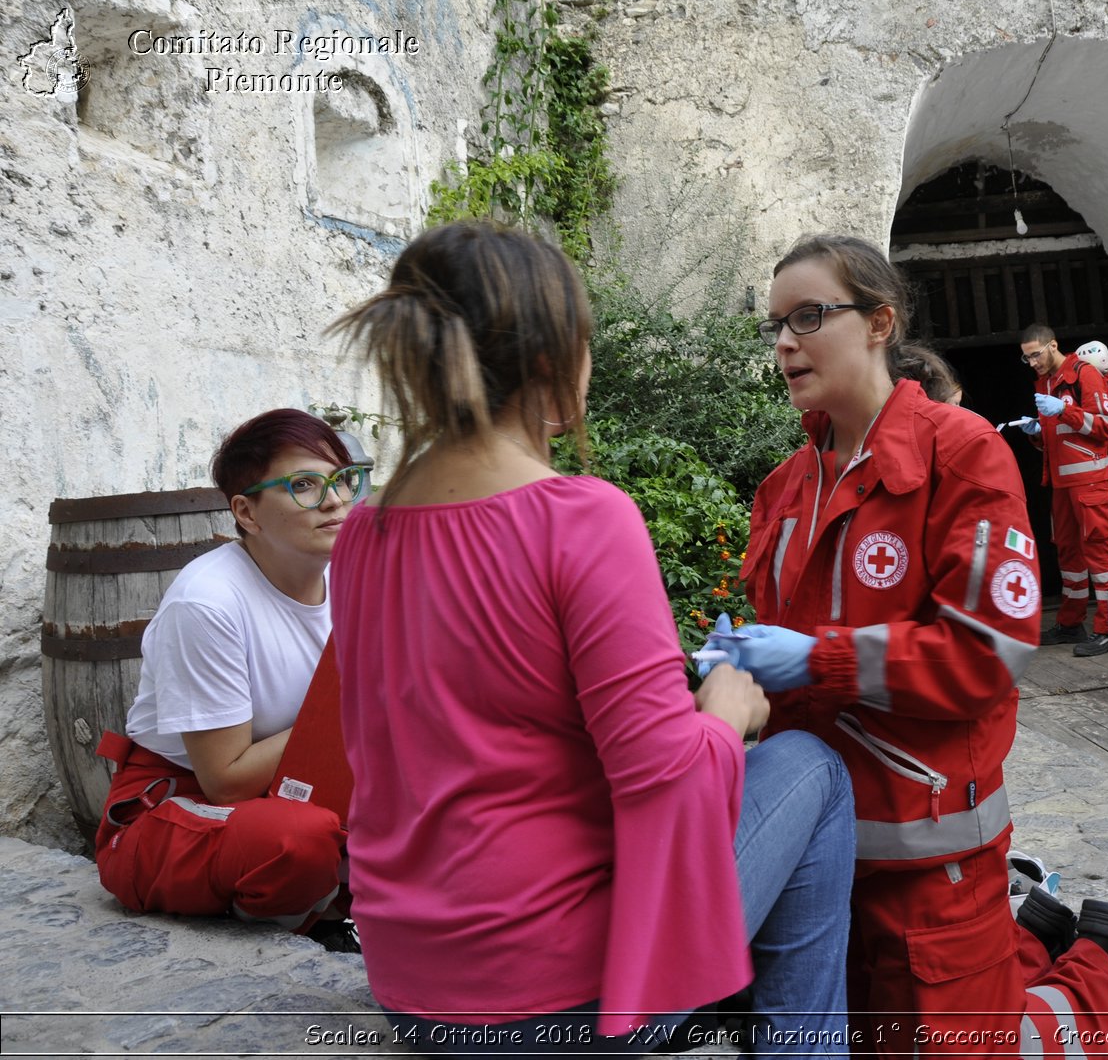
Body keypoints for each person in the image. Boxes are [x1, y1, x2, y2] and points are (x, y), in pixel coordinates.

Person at [325, 220, 856, 1057]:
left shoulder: (362, 532)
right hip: (558, 996)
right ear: (550, 359)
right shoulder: (580, 517)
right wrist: (724, 712)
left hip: (413, 985)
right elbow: (663, 778)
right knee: (812, 771)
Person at [709, 234, 1108, 1059]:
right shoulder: (784, 487)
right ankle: (1034, 931)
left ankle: (1106, 965)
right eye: (774, 323)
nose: (783, 342)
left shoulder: (960, 452)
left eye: (808, 316)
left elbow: (986, 652)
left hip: (931, 865)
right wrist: (730, 671)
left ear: (880, 321)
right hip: (821, 869)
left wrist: (814, 657)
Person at [93, 409, 364, 951]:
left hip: (302, 780)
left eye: (341, 480)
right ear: (247, 512)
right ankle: (316, 916)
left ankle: (350, 894)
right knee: (297, 841)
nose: (334, 500)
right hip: (182, 807)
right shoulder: (208, 603)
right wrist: (350, 708)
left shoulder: (350, 574)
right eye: (303, 485)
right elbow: (227, 779)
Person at [1018, 326, 1108, 656]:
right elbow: (1059, 438)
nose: (1032, 361)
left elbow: (1106, 427)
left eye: (1036, 353)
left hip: (1090, 481)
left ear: (1053, 345)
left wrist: (1063, 410)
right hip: (1062, 484)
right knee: (1068, 554)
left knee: (1099, 554)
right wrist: (1036, 434)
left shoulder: (1084, 374)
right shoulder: (1045, 382)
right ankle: (1070, 623)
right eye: (1026, 356)